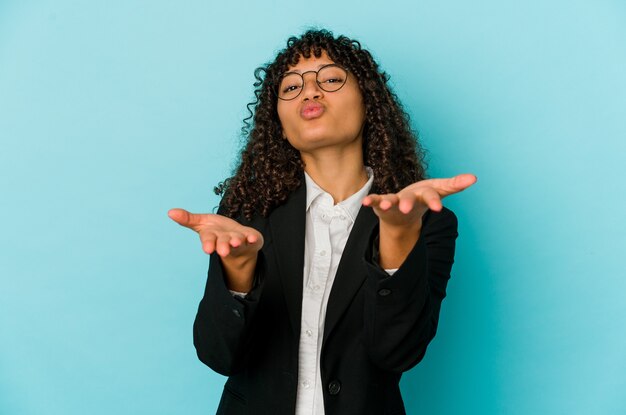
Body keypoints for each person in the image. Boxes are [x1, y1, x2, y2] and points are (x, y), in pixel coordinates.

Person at [168, 29, 476, 415]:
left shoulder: (426, 222)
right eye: (291, 87)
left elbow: (398, 352)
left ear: (370, 104)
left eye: (330, 79)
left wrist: (397, 237)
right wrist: (238, 276)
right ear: (279, 123)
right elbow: (218, 356)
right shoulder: (247, 210)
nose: (310, 92)